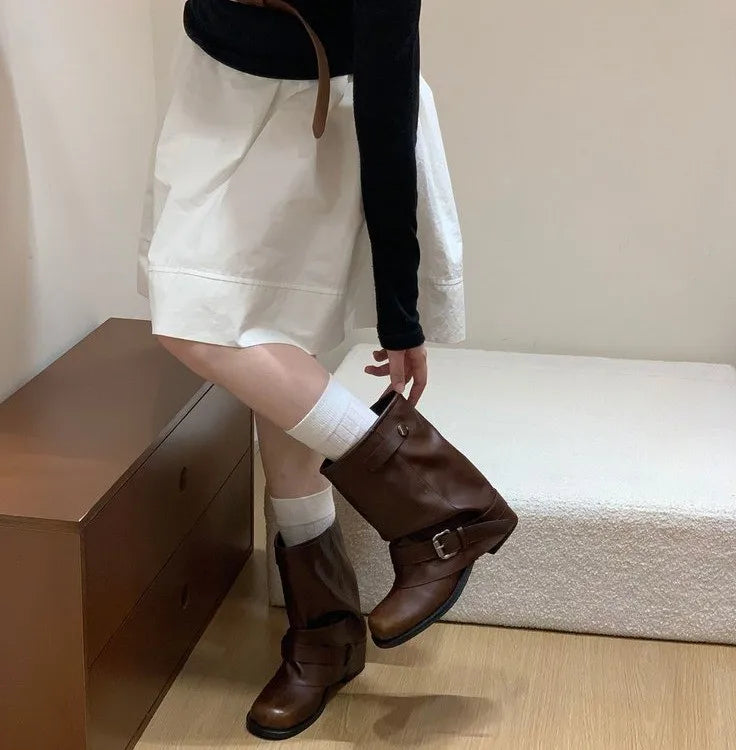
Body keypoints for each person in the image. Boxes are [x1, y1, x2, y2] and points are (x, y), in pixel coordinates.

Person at [138, 0, 518, 740]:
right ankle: (333, 627)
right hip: (216, 97)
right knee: (267, 361)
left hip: (317, 117)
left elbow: (387, 85)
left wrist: (400, 311)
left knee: (197, 324)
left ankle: (439, 514)